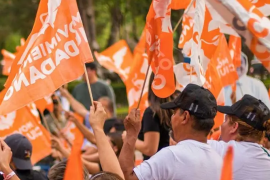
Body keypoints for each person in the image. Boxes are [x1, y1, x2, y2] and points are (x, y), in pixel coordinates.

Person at [119, 84, 223, 180]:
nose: (171, 117)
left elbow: (127, 176)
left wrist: (131, 134)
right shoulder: (219, 160)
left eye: (174, 112)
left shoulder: (172, 156)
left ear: (185, 117)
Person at [208, 94, 270, 180]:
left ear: (234, 127)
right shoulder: (267, 155)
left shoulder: (223, 150)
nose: (222, 125)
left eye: (225, 120)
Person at [124, 72, 173, 160]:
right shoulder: (178, 110)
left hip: (156, 167)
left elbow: (150, 149)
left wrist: (129, 138)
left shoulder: (152, 112)